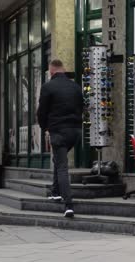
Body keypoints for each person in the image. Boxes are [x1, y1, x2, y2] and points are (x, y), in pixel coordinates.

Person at [37, 59, 83, 218]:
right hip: (75, 132)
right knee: (59, 159)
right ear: (63, 70)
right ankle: (55, 191)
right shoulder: (76, 87)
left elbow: (41, 112)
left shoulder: (48, 87)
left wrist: (45, 128)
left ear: (51, 71)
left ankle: (68, 205)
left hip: (58, 132)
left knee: (62, 166)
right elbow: (81, 107)